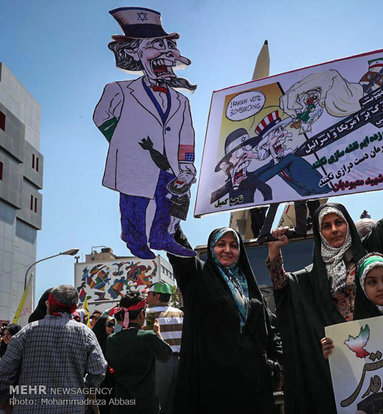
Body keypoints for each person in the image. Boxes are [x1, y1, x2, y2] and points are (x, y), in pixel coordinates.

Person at [265, 139, 383, 414]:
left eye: (339, 222)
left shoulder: (368, 255)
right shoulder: (312, 275)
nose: (334, 230)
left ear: (348, 225)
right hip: (339, 360)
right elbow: (283, 288)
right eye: (326, 226)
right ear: (319, 232)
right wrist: (275, 254)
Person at [93, 7, 197, 259]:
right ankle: (135, 240)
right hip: (134, 161)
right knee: (134, 202)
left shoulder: (181, 101)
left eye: (166, 45)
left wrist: (186, 165)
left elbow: (186, 136)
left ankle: (162, 237)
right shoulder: (118, 89)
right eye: (154, 45)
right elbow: (101, 117)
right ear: (133, 52)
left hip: (169, 162)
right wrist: (121, 141)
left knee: (166, 200)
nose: (164, 52)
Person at [167, 227, 283, 414]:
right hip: (214, 385)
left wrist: (278, 365)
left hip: (255, 384)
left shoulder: (250, 287)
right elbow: (180, 252)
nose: (227, 250)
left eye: (234, 245)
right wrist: (172, 220)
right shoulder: (199, 277)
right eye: (221, 244)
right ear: (211, 248)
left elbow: (270, 329)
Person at [0, 284, 107, 412]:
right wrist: (81, 393)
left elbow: (4, 372)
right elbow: (98, 371)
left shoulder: (26, 332)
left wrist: (5, 400)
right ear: (74, 307)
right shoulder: (85, 333)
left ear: (48, 304)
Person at [321, 253, 383, 358]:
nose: (381, 287)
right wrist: (333, 352)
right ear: (362, 286)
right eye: (372, 282)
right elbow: (349, 365)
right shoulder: (354, 330)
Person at [106, 291, 172, 414]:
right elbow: (166, 355)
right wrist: (157, 334)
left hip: (121, 404)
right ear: (142, 314)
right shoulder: (148, 337)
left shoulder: (111, 339)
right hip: (145, 404)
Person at [144, 281, 183, 414]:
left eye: (149, 294)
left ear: (157, 296)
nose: (146, 297)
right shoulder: (179, 313)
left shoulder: (147, 314)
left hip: (158, 362)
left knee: (158, 401)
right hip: (178, 361)